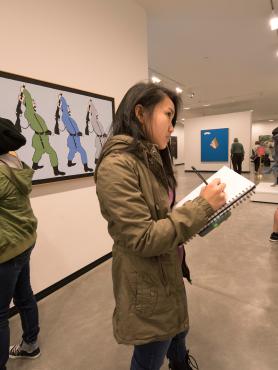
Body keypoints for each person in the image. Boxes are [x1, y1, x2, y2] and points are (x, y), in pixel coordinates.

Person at [94, 82, 227, 370]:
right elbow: (142, 237)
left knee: (178, 332)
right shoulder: (116, 166)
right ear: (140, 113)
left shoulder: (149, 157)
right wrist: (201, 207)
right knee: (150, 357)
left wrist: (197, 213)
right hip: (147, 282)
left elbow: (159, 215)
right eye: (168, 116)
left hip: (170, 269)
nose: (171, 127)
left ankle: (179, 363)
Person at [0, 117, 40, 370]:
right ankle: (30, 344)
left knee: (0, 313)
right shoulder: (15, 163)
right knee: (25, 295)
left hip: (6, 250)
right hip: (24, 242)